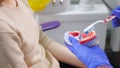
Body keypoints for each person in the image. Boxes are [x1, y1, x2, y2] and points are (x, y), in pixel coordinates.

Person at [0, 0, 86, 68]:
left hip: (52, 62)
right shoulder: (3, 28)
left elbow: (44, 42)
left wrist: (87, 62)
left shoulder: (19, 1)